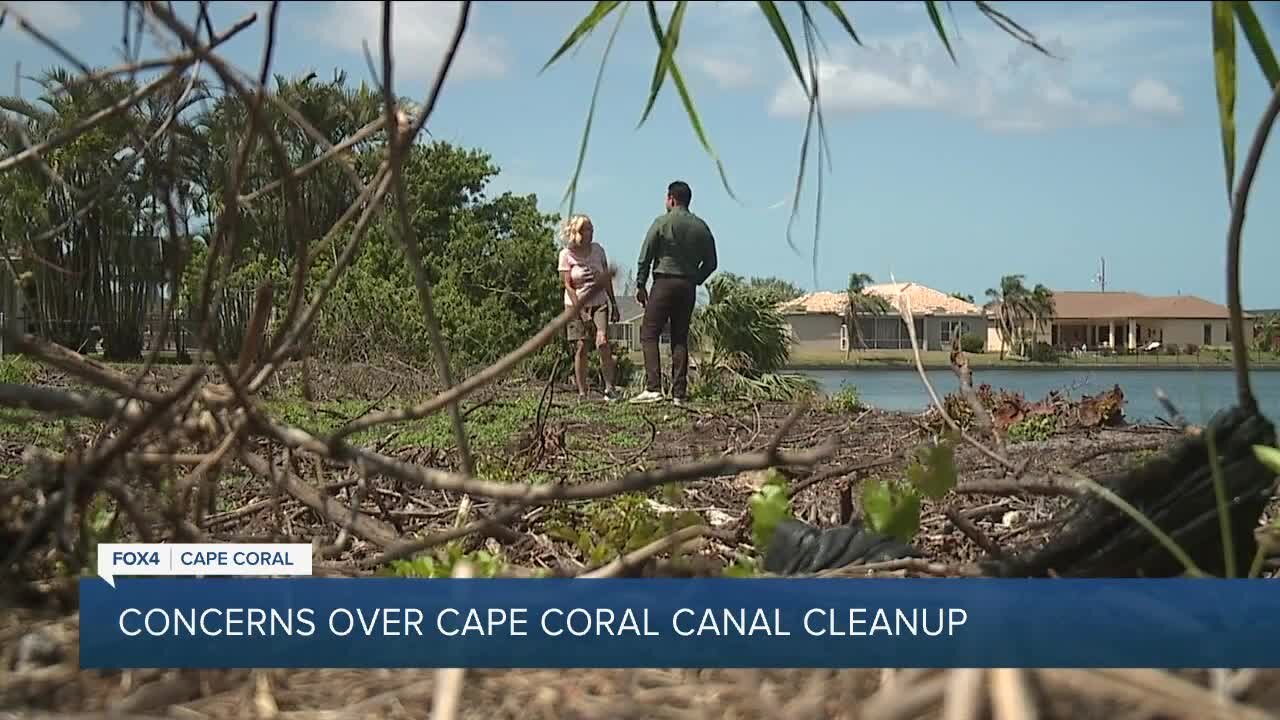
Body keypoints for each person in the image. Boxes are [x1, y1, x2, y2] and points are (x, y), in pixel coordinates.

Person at [630, 180, 717, 406]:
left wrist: (640, 285)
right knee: (680, 337)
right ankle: (679, 393)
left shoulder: (662, 222)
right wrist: (695, 279)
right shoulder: (701, 226)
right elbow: (712, 263)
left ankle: (653, 387)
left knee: (649, 333)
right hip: (687, 286)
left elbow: (645, 255)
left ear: (671, 199)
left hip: (664, 281)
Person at [557, 213, 622, 401]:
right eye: (587, 229)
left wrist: (614, 303)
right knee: (582, 346)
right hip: (575, 305)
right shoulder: (566, 255)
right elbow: (568, 285)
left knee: (602, 341)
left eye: (592, 229)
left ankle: (610, 388)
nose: (591, 233)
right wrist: (580, 312)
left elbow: (605, 279)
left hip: (599, 303)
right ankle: (582, 392)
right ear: (578, 232)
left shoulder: (598, 250)